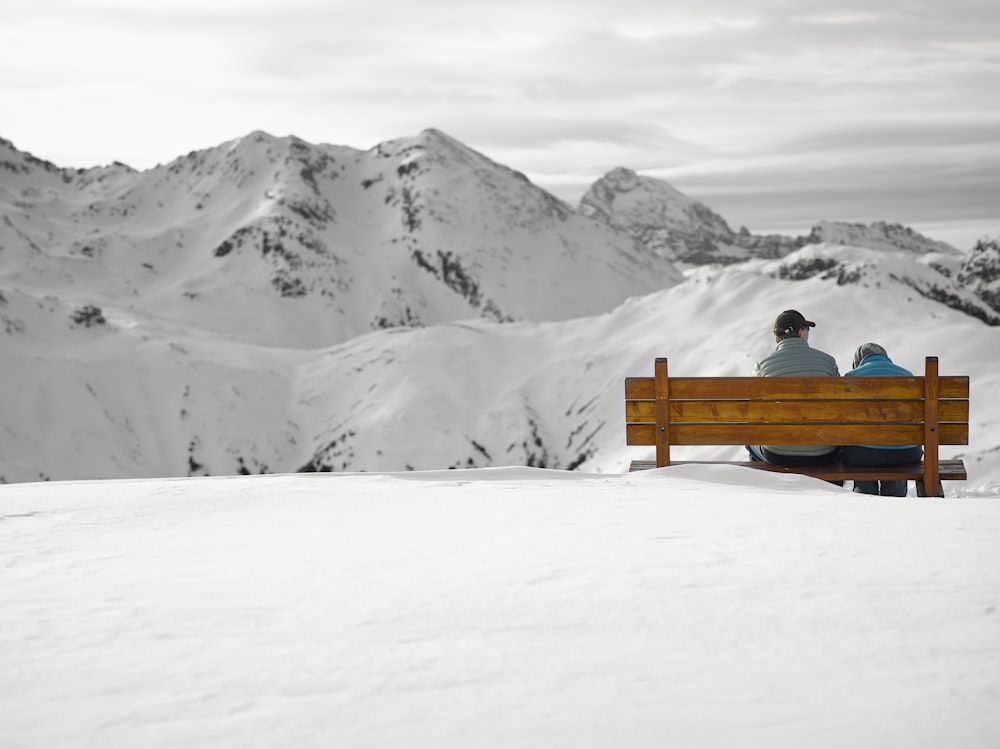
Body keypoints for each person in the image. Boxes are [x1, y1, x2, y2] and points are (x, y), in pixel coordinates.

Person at [748, 309, 841, 466]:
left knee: (751, 440)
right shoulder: (827, 361)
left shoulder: (762, 366)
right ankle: (833, 484)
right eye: (807, 329)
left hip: (778, 453)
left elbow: (753, 410)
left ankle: (766, 485)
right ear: (800, 332)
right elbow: (841, 403)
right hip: (824, 451)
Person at [843, 343, 923, 496]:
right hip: (906, 454)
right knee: (896, 450)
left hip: (864, 455)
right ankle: (895, 498)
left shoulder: (851, 378)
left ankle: (865, 495)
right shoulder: (907, 376)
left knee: (860, 449)